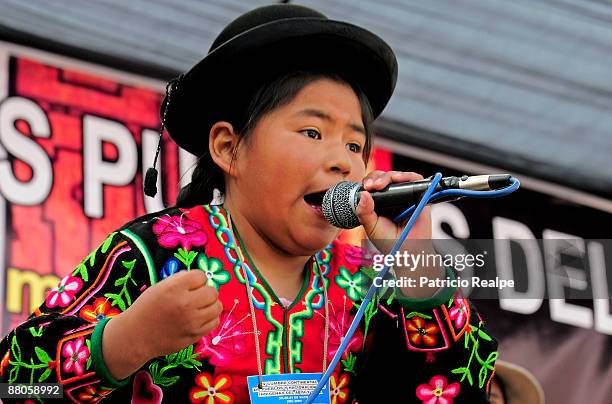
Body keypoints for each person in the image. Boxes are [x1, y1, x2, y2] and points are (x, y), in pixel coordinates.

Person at [0, 4, 499, 403]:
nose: (345, 164)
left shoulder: (367, 283)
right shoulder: (151, 254)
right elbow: (13, 386)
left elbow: (461, 393)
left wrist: (419, 273)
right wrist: (128, 340)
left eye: (354, 145)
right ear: (228, 148)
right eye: (312, 131)